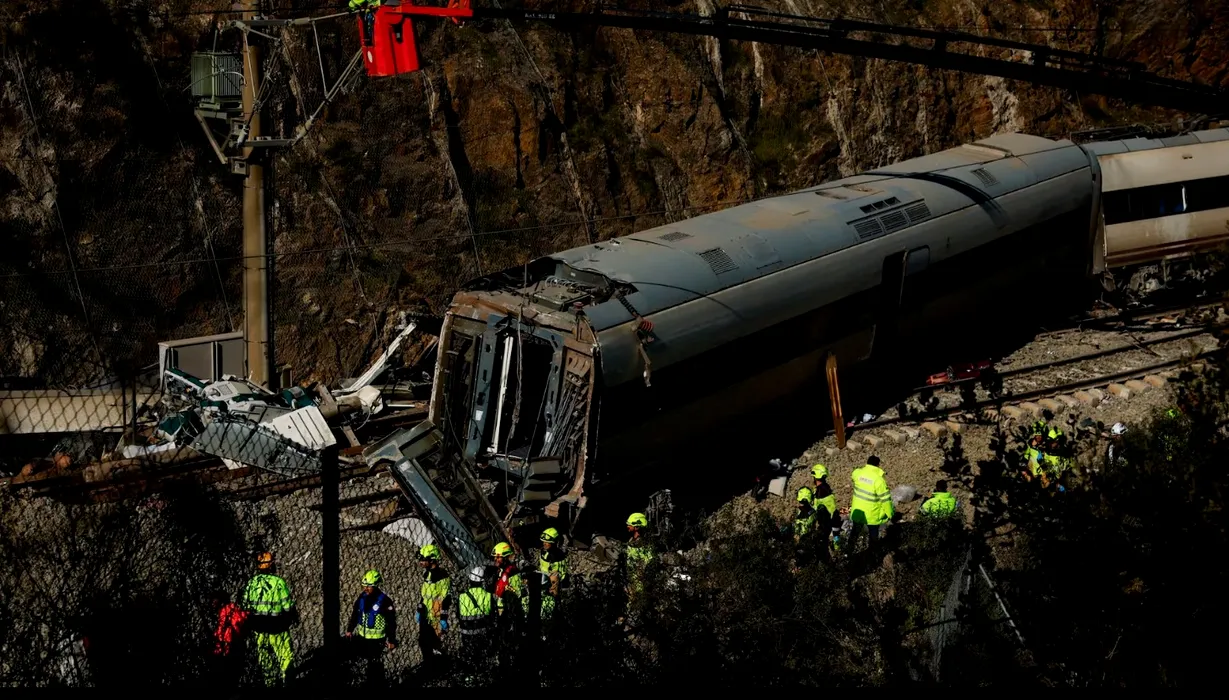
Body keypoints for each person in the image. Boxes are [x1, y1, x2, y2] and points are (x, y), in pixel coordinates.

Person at [242, 551, 299, 687]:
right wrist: (293, 617)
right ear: (271, 565)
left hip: (259, 630)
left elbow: (245, 606)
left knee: (265, 660)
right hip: (277, 628)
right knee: (285, 657)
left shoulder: (251, 584)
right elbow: (287, 607)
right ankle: (288, 684)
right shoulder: (278, 583)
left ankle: (270, 685)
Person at [344, 569, 397, 687]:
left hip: (377, 640)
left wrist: (391, 639)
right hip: (362, 638)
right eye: (364, 586)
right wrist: (350, 629)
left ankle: (375, 683)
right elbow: (355, 614)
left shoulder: (384, 601)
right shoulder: (362, 598)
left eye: (369, 586)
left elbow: (391, 622)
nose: (366, 589)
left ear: (376, 586)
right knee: (362, 662)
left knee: (374, 664)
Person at [457, 565, 497, 684]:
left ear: (470, 580)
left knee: (469, 656)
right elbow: (493, 616)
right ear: (482, 581)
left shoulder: (462, 597)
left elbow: (458, 615)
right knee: (482, 656)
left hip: (467, 634)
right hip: (482, 634)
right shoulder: (488, 596)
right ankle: (483, 677)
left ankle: (469, 679)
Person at [416, 544, 452, 674]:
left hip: (435, 616)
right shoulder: (427, 574)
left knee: (435, 645)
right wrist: (420, 608)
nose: (421, 562)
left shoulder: (442, 576)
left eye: (423, 559)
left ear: (432, 560)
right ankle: (429, 667)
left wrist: (443, 617)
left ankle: (439, 669)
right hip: (425, 614)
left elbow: (446, 598)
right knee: (423, 643)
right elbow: (424, 595)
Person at [849, 455, 893, 549]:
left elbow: (854, 474)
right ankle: (872, 553)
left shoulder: (858, 473)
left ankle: (848, 551)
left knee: (854, 533)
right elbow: (885, 500)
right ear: (878, 465)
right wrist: (890, 514)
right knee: (873, 536)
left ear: (867, 463)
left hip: (858, 512)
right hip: (872, 514)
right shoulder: (879, 480)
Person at [210, 590, 248, 688]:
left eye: (215, 600)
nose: (213, 603)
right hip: (230, 650)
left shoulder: (227, 611)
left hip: (230, 651)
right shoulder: (227, 611)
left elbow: (224, 633)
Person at [625, 512, 657, 605]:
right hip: (632, 579)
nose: (627, 526)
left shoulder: (643, 544)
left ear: (637, 527)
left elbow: (646, 565)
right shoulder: (632, 540)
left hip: (639, 583)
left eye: (630, 524)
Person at [811, 464, 842, 549]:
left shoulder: (821, 492)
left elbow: (831, 512)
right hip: (829, 523)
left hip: (826, 524)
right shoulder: (824, 488)